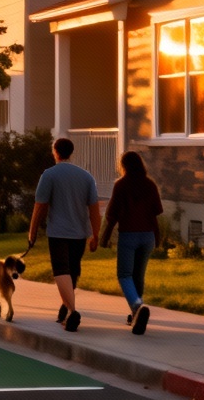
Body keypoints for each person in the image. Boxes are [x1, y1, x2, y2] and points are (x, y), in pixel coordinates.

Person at [28, 136, 101, 333]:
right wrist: (96, 235)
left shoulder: (49, 175)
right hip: (79, 233)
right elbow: (94, 209)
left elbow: (40, 206)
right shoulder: (86, 177)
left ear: (55, 152)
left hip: (58, 232)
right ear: (71, 152)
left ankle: (72, 310)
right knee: (73, 271)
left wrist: (32, 232)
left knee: (61, 271)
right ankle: (65, 309)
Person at [100, 150, 163, 336]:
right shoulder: (149, 184)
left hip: (129, 235)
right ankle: (136, 314)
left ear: (123, 165)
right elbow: (155, 214)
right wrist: (157, 237)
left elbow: (112, 215)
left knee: (124, 275)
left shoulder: (121, 185)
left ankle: (137, 306)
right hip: (148, 236)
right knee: (138, 276)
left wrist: (105, 236)